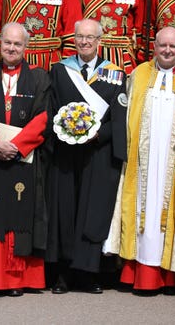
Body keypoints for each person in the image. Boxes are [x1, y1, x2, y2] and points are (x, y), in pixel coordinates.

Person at [47, 19, 127, 294]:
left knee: (92, 212)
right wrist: (65, 131)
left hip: (98, 153)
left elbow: (119, 116)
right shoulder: (59, 70)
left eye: (90, 38)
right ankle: (63, 274)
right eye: (80, 37)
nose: (84, 42)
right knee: (65, 211)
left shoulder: (115, 74)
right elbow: (52, 107)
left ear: (99, 41)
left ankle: (89, 273)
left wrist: (98, 135)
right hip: (66, 152)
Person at [105, 26, 175, 294]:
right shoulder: (139, 74)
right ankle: (138, 274)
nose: (167, 50)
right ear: (154, 46)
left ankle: (168, 276)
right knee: (141, 211)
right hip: (141, 163)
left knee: (168, 214)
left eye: (173, 46)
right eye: (163, 45)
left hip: (173, 164)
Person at [0, 22, 50, 297]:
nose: (12, 48)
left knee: (19, 213)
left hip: (23, 160)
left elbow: (43, 117)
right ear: (0, 44)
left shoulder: (40, 79)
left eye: (18, 44)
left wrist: (16, 146)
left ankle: (17, 280)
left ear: (26, 47)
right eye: (7, 43)